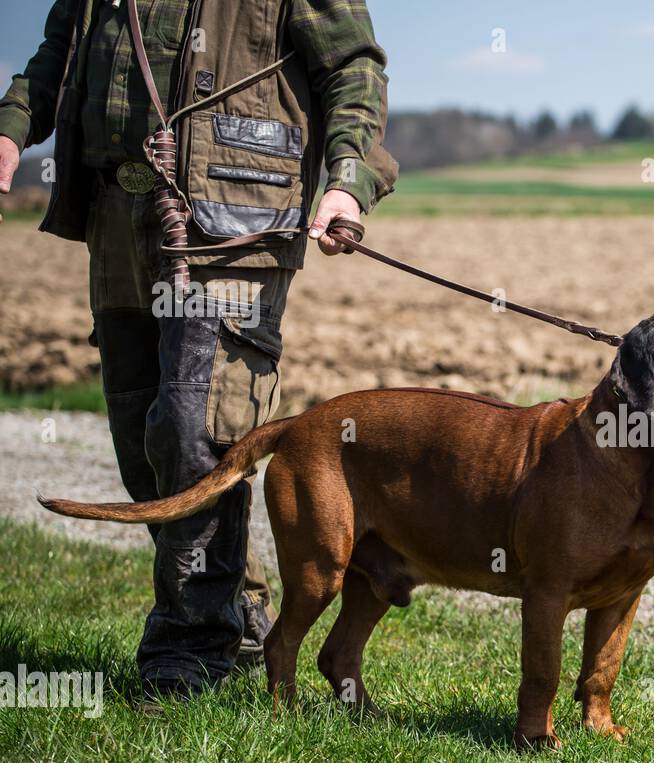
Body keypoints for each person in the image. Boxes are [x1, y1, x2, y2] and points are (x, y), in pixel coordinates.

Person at [0, 0, 398, 699]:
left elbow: (352, 67)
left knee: (193, 431)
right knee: (143, 442)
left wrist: (347, 181)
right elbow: (57, 59)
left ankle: (189, 650)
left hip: (237, 222)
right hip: (118, 222)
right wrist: (9, 131)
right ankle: (238, 607)